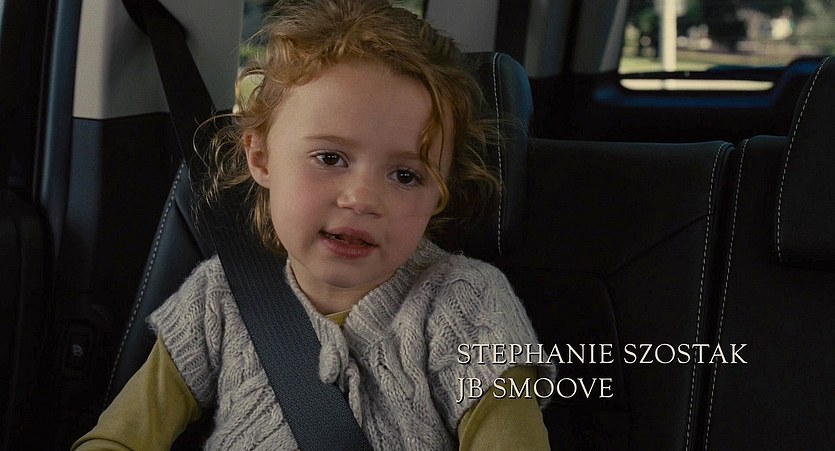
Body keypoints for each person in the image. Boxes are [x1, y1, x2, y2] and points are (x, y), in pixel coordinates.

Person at [73, 0, 554, 449]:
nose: (361, 199)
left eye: (406, 175)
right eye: (329, 158)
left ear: (440, 194)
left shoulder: (469, 304)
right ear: (261, 158)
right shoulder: (218, 297)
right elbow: (117, 439)